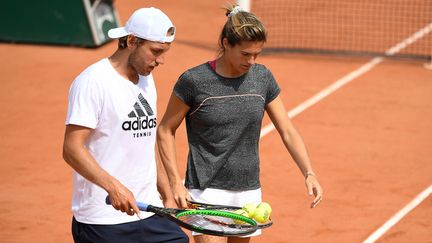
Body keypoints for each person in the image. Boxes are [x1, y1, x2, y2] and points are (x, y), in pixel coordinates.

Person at [156, 5, 323, 243]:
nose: (251, 61)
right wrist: (175, 182)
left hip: (247, 192)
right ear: (226, 43)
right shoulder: (194, 81)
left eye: (257, 54)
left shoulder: (262, 77)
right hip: (206, 192)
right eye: (245, 54)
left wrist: (309, 172)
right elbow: (165, 130)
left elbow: (287, 129)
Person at [62, 7, 188, 243]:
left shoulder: (146, 80)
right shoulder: (93, 82)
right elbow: (71, 148)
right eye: (156, 51)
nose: (161, 60)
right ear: (131, 41)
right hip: (103, 220)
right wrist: (113, 186)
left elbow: (146, 141)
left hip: (150, 211)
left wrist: (166, 196)